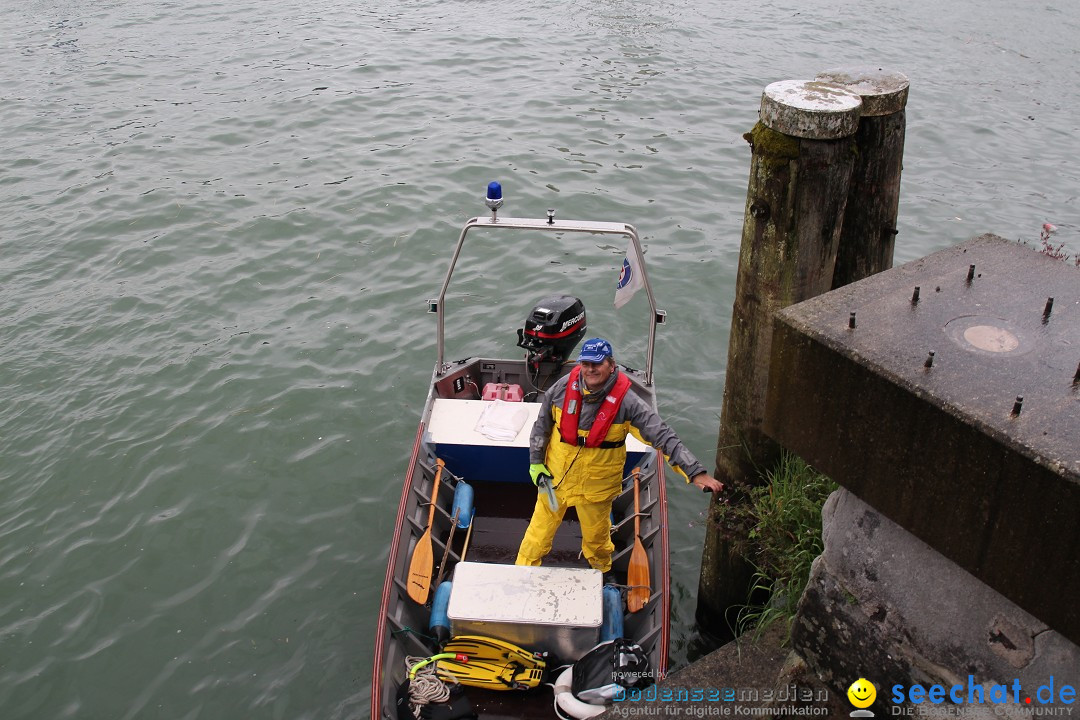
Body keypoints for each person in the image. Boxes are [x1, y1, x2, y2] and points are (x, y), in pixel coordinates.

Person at [515, 337, 724, 574]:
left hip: (596, 489)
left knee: (597, 542)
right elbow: (541, 426)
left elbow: (663, 436)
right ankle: (521, 575)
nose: (590, 369)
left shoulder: (628, 403)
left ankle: (603, 574)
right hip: (555, 480)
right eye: (586, 364)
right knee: (536, 537)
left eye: (597, 364)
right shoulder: (561, 389)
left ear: (611, 365)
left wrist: (695, 471)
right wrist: (535, 462)